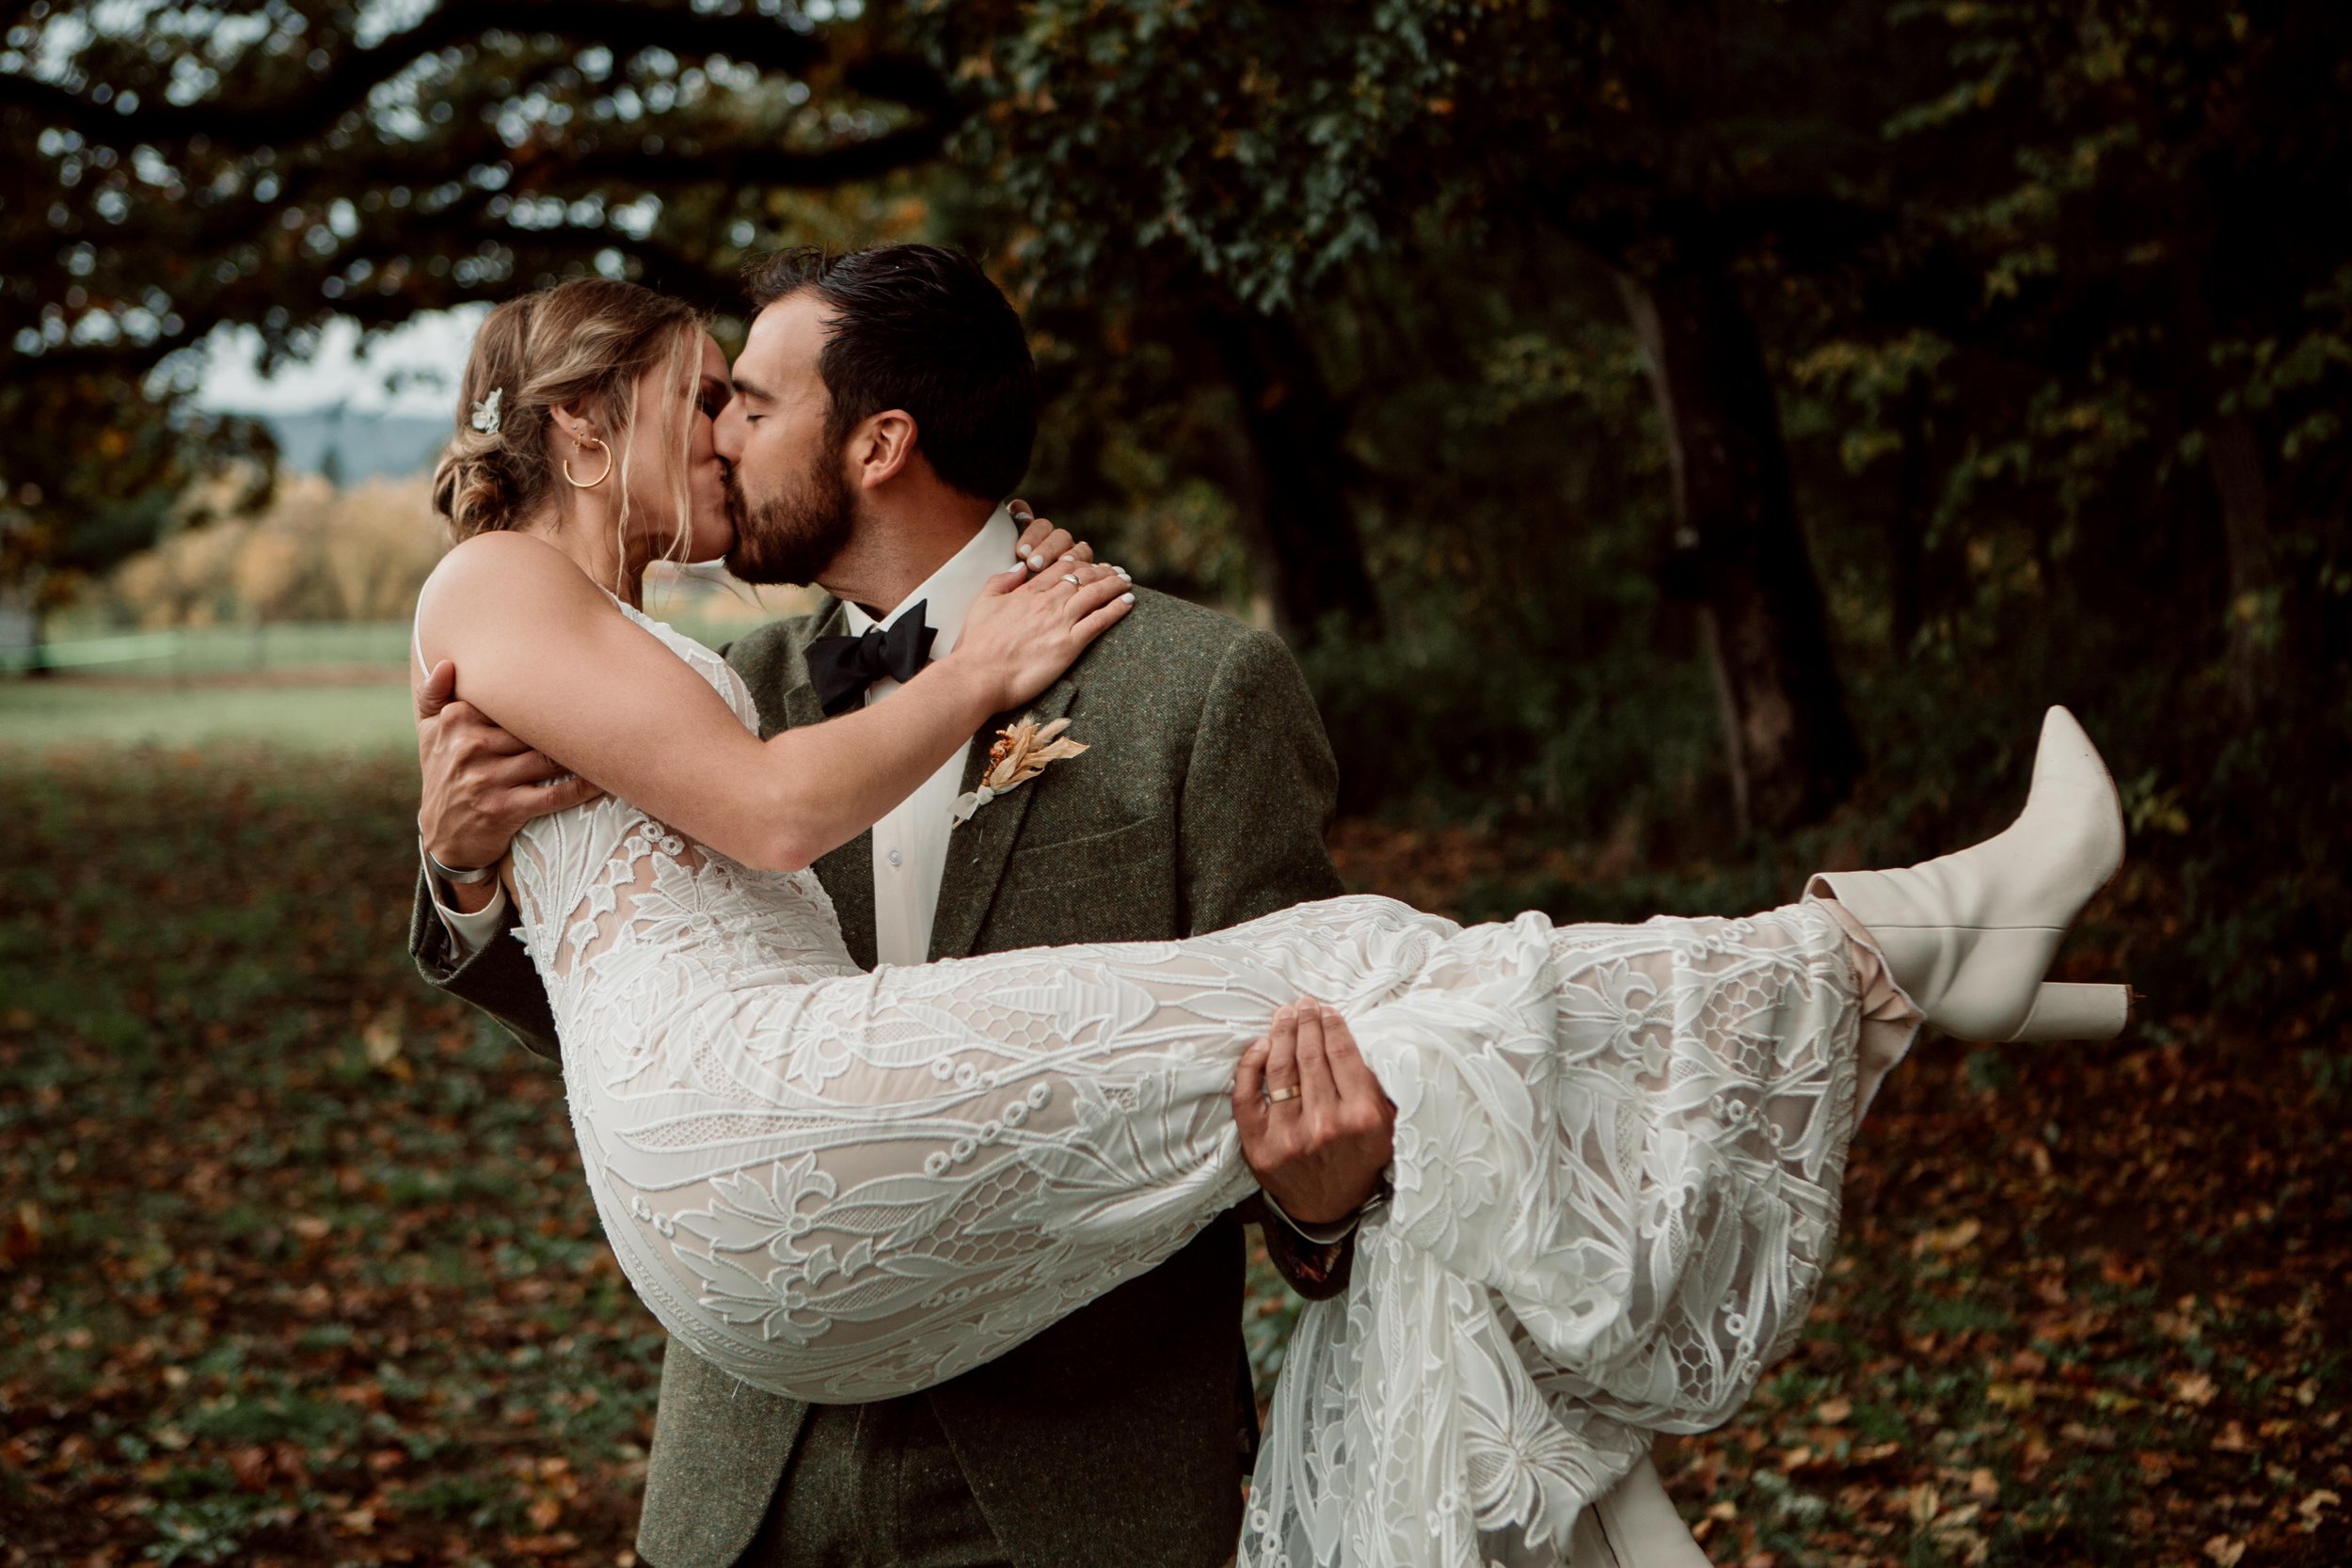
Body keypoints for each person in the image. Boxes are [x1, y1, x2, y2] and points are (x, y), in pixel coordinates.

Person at [410, 261, 2129, 1568]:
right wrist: (467, 878)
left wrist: (1324, 1198)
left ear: (881, 440)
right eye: (703, 400)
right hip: (758, 1465)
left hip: (1060, 1482)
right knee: (1399, 960)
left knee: (1387, 990)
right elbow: (653, 1006)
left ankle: (1918, 964)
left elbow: (1326, 1104)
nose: (716, 434)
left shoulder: (1192, 686)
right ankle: (1917, 956)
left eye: (746, 401)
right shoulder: (741, 682)